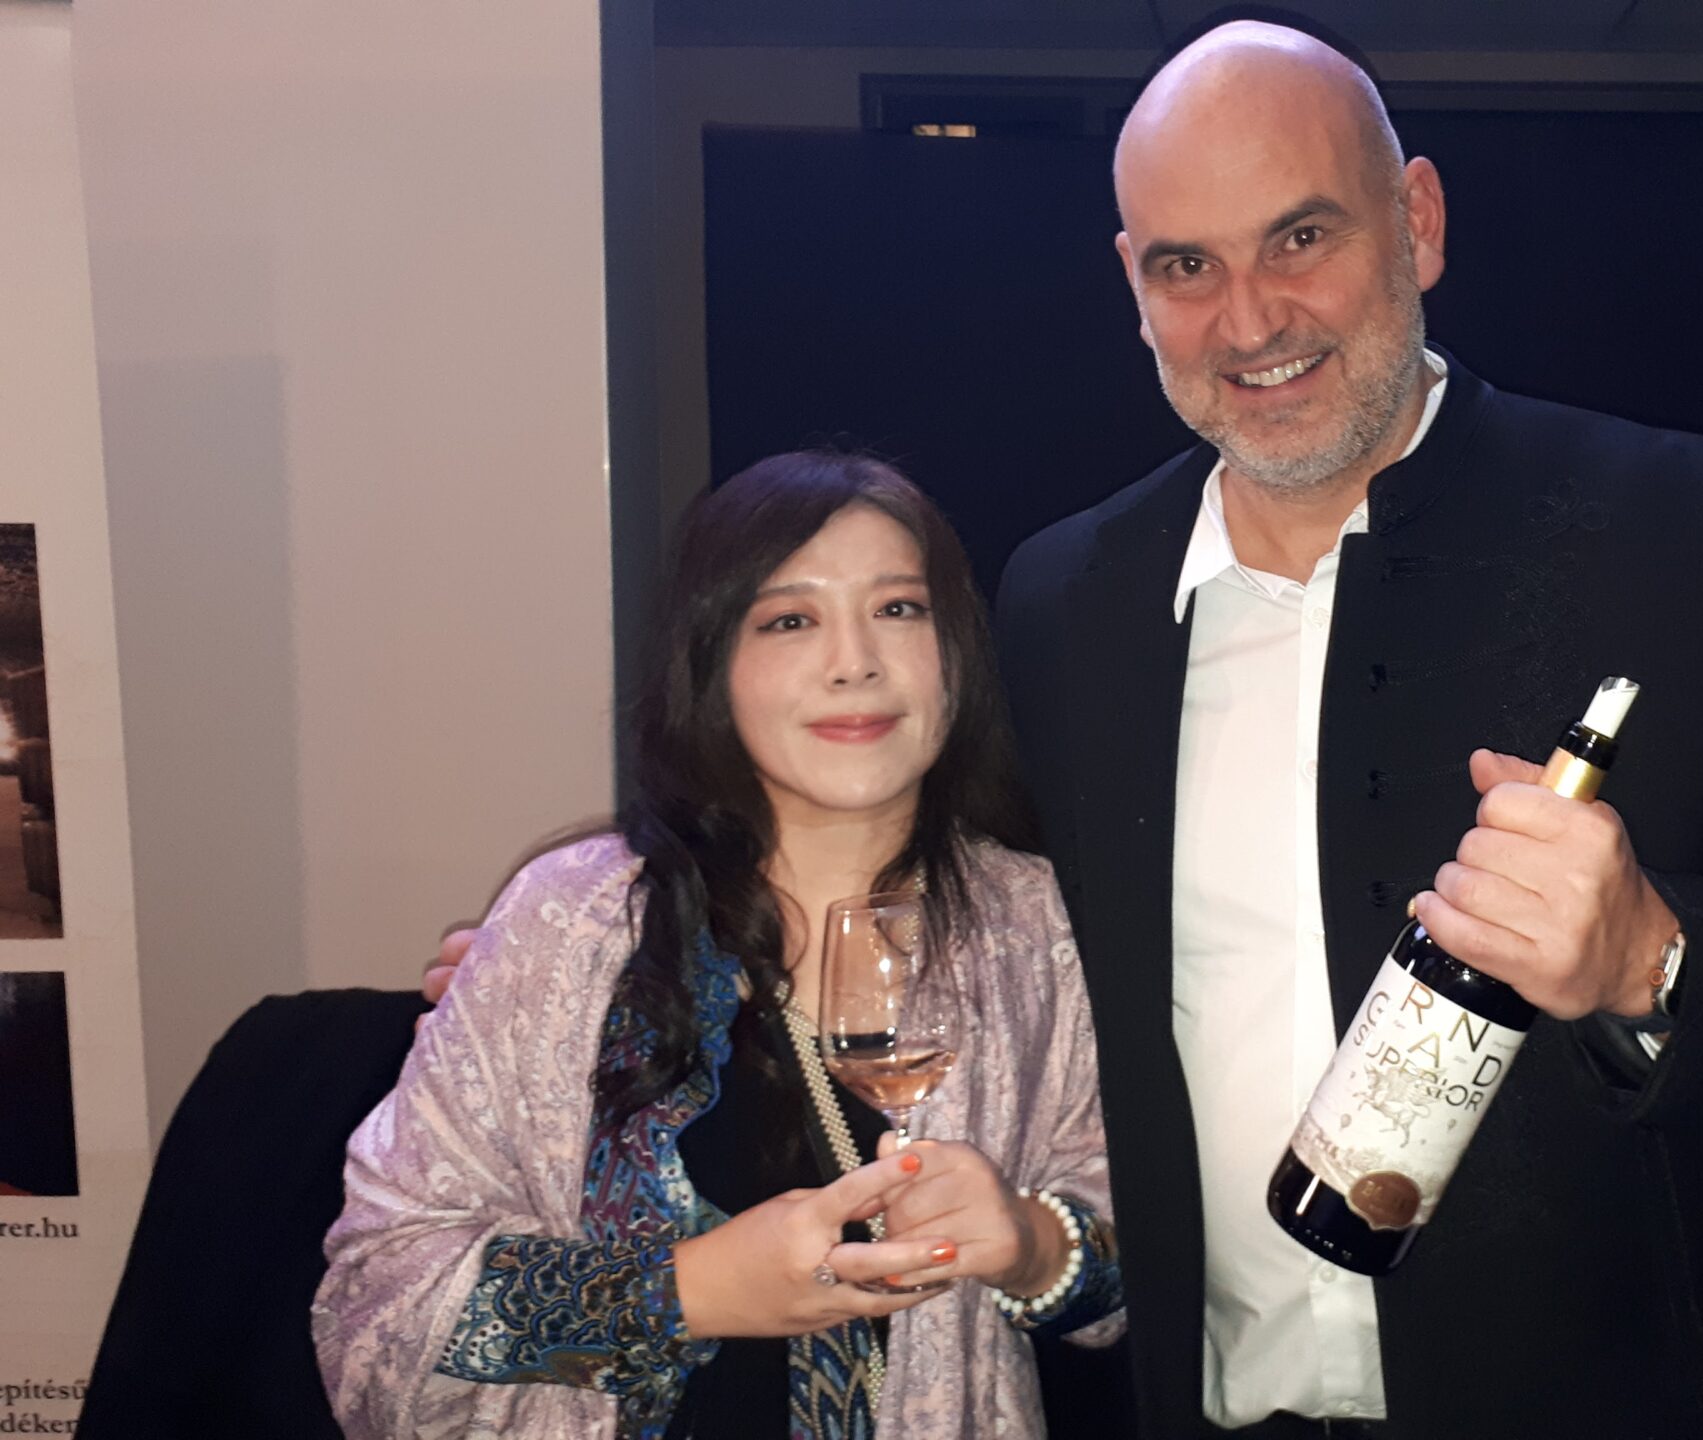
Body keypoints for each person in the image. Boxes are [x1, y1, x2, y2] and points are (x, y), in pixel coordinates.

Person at [991, 19, 1703, 1438]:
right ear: (1134, 284)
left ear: (1418, 223)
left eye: (1300, 237)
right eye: (1186, 267)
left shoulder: (1686, 530)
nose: (1248, 323)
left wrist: (1650, 958)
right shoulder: (1063, 602)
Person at [323, 454, 1123, 1438]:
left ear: (955, 650)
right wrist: (689, 1291)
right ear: (713, 666)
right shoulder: (576, 921)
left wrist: (1039, 1246)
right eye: (789, 620)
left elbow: (1152, 1265)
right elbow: (378, 1302)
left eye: (898, 609)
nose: (854, 661)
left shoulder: (1039, 928)